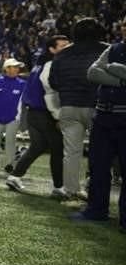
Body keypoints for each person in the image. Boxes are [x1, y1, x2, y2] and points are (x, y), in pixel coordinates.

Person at [48, 18, 108, 200]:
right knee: (102, 151)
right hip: (98, 106)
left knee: (71, 152)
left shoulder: (63, 54)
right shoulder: (107, 49)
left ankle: (71, 189)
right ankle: (95, 189)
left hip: (69, 106)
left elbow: (53, 82)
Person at [71, 38, 126, 231]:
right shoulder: (114, 48)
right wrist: (121, 79)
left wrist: (110, 67)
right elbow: (93, 72)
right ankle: (96, 210)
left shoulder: (112, 51)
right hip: (103, 116)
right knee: (98, 166)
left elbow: (101, 70)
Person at [6, 35, 69, 196]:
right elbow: (50, 92)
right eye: (62, 46)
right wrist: (57, 115)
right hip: (44, 112)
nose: (67, 48)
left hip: (33, 112)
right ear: (52, 49)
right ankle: (59, 187)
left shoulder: (40, 64)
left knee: (38, 146)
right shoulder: (51, 64)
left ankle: (15, 176)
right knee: (57, 147)